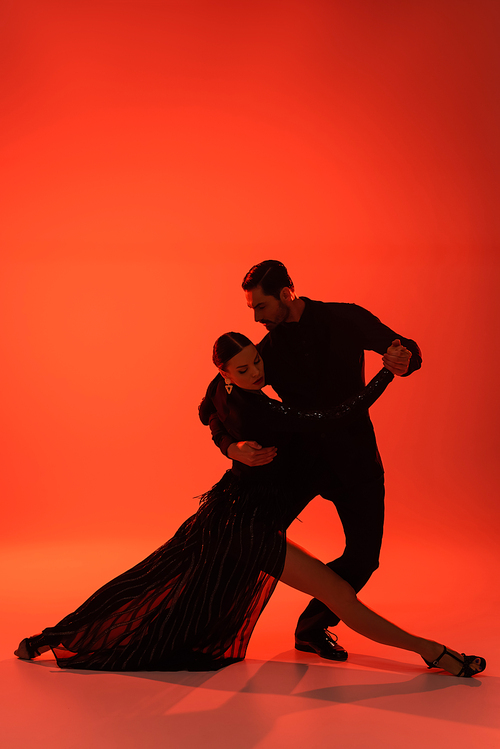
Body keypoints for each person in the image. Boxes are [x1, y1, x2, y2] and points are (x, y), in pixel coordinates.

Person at [14, 333, 485, 678]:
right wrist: (385, 374)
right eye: (244, 369)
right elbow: (334, 416)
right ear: (225, 372)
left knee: (156, 577)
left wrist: (226, 445)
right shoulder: (261, 407)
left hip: (226, 509)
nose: (257, 372)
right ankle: (436, 653)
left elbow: (205, 411)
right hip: (246, 524)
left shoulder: (223, 389)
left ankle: (50, 638)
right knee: (338, 596)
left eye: (257, 361)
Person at [204, 260, 423, 662]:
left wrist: (402, 358)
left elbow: (406, 348)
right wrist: (230, 447)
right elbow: (214, 399)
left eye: (261, 307)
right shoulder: (266, 349)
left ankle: (312, 627)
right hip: (294, 464)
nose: (256, 317)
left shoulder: (346, 317)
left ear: (286, 294)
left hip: (355, 460)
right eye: (252, 309)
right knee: (246, 539)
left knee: (364, 557)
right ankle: (206, 623)